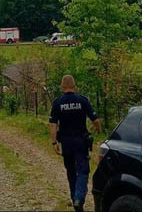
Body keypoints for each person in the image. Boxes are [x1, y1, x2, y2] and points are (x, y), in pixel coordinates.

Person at [49, 75, 101, 212]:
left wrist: (54, 142)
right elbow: (95, 120)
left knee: (71, 172)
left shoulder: (58, 102)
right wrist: (97, 129)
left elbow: (53, 124)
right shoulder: (82, 100)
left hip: (66, 142)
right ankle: (79, 198)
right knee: (83, 171)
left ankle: (75, 201)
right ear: (74, 86)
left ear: (62, 86)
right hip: (81, 142)